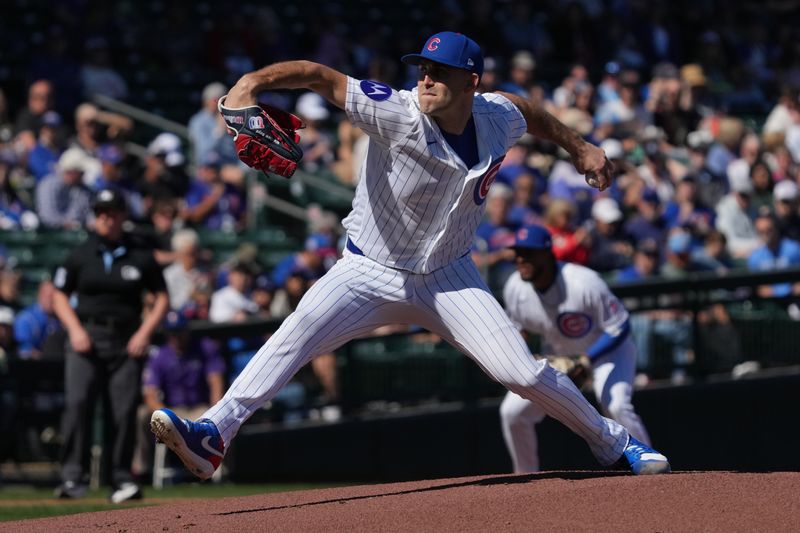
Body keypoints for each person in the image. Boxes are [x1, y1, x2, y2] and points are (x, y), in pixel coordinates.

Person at [151, 31, 670, 480]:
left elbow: (528, 111)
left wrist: (579, 148)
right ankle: (212, 434)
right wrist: (249, 86)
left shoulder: (494, 117)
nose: (424, 80)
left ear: (470, 82)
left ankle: (616, 443)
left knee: (523, 375)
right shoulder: (394, 111)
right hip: (367, 270)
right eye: (422, 69)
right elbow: (316, 75)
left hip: (450, 276)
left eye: (438, 72)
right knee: (295, 333)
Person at [499, 225, 653, 473]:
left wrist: (586, 359)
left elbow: (619, 326)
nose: (521, 259)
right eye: (517, 253)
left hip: (606, 353)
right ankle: (525, 476)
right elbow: (519, 331)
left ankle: (649, 463)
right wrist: (522, 355)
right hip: (559, 357)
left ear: (548, 253)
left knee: (615, 404)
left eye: (529, 253)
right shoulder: (515, 288)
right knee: (512, 413)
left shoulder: (583, 282)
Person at [52, 189, 169, 502]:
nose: (105, 218)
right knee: (78, 404)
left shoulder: (139, 254)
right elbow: (59, 294)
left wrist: (144, 333)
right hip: (85, 338)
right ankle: (72, 477)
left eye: (111, 212)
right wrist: (75, 330)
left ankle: (120, 479)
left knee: (123, 409)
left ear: (122, 216)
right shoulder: (81, 253)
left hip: (126, 340)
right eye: (100, 213)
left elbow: (162, 298)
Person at [132, 311, 225, 480]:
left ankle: (219, 472)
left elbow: (215, 382)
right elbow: (150, 394)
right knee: (142, 414)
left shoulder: (204, 348)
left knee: (223, 418)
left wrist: (216, 409)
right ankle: (141, 471)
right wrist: (166, 416)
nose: (176, 337)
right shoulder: (160, 355)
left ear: (187, 331)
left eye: (179, 332)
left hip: (199, 409)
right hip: (172, 409)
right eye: (172, 333)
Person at [13, 280, 61, 360]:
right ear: (40, 295)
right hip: (30, 366)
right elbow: (23, 351)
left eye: (56, 298)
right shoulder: (25, 319)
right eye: (50, 296)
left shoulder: (59, 319)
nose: (53, 301)